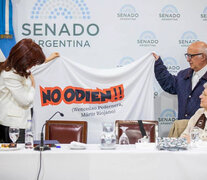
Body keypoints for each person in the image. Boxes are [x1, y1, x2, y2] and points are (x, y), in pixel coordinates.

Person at [0, 38, 59, 143]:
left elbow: (34, 67)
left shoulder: (18, 68)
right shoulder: (10, 75)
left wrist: (48, 59)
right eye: (32, 62)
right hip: (13, 126)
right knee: (18, 157)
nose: (32, 65)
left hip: (21, 122)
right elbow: (26, 101)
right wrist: (33, 85)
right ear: (24, 60)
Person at [153, 41, 207, 119]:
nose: (188, 60)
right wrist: (157, 63)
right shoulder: (183, 75)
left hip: (202, 130)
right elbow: (169, 84)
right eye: (187, 56)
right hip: (183, 129)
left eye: (191, 56)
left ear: (203, 57)